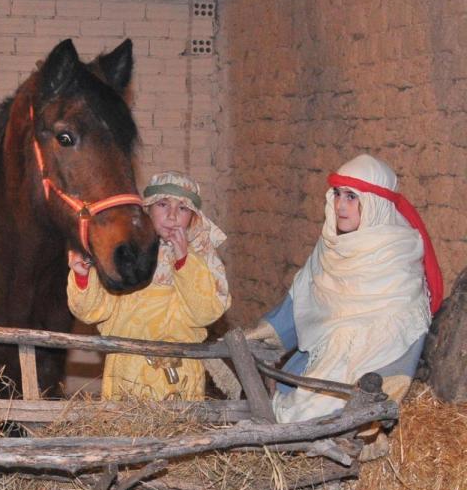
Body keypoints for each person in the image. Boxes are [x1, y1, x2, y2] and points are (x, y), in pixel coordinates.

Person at [244, 154, 443, 423]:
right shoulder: (330, 246)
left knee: (317, 417)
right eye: (337, 194)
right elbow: (305, 295)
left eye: (351, 197)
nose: (339, 205)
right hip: (313, 366)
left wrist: (374, 412)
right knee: (288, 412)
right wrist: (268, 330)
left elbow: (401, 337)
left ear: (374, 204)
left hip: (360, 380)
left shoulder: (397, 261)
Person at [67, 171, 231, 400]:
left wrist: (184, 261)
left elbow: (206, 313)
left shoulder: (204, 260)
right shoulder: (126, 256)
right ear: (147, 209)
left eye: (183, 209)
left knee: (181, 436)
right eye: (163, 204)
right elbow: (91, 311)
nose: (172, 216)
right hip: (127, 375)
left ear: (194, 218)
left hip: (180, 379)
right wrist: (83, 276)